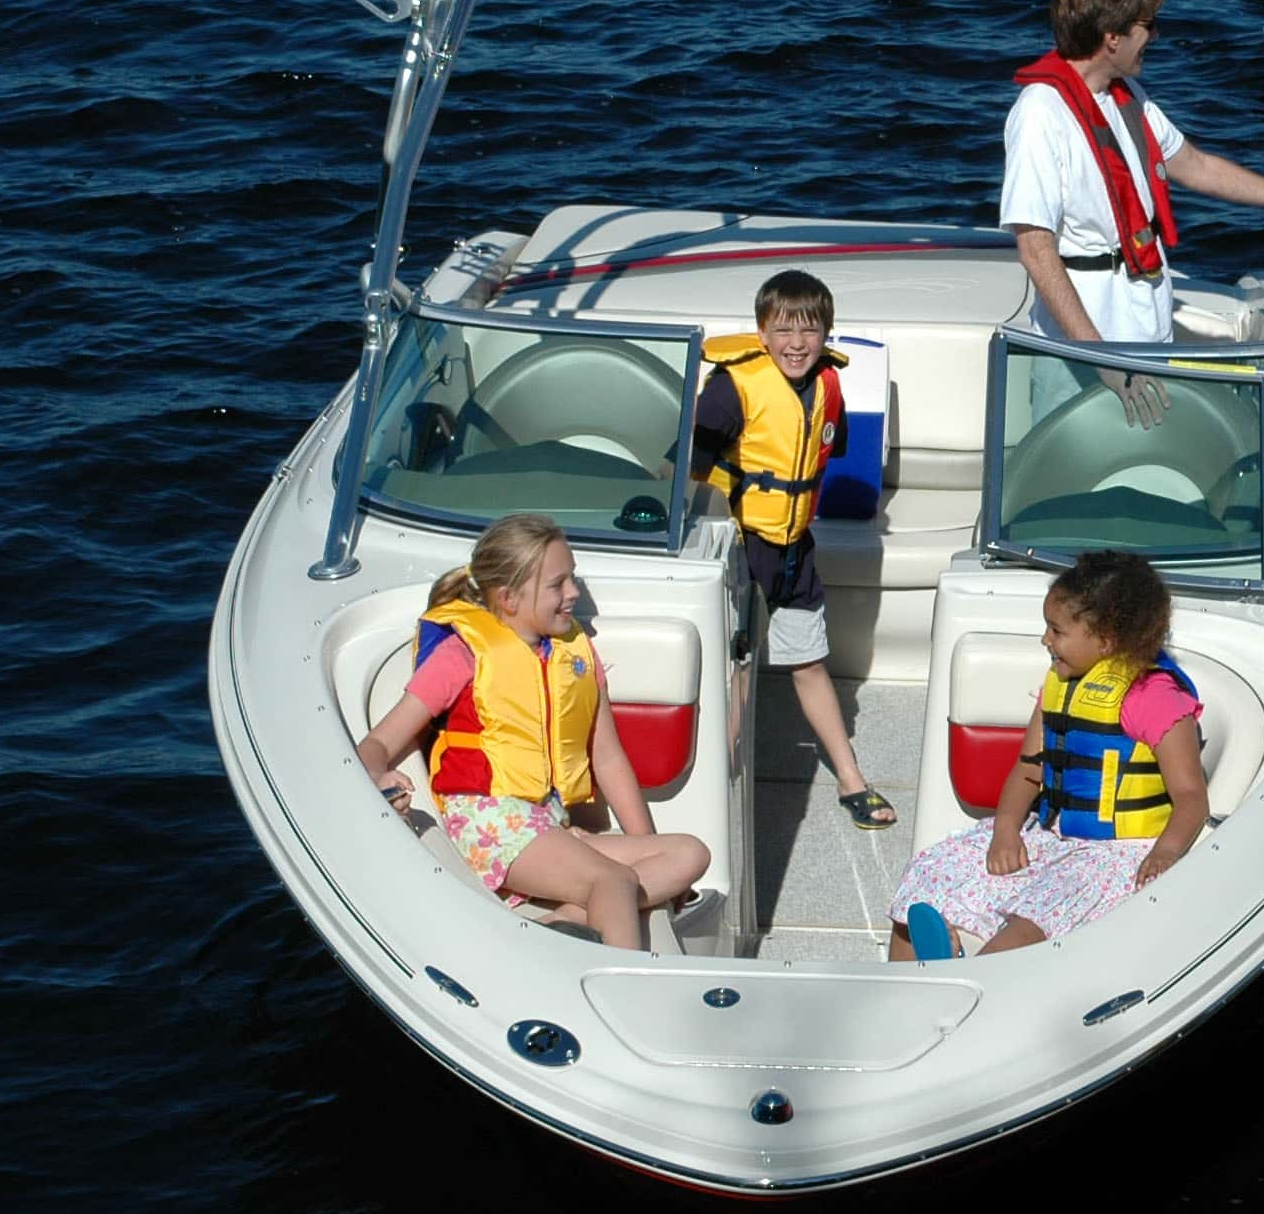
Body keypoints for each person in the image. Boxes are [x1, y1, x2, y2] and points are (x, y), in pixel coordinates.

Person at [355, 513, 710, 950]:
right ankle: (625, 986)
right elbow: (378, 742)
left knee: (690, 854)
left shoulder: (574, 654)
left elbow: (609, 759)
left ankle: (562, 922)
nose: (574, 593)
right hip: (491, 825)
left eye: (573, 579)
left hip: (548, 823)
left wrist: (645, 843)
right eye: (558, 584)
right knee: (613, 880)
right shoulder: (462, 655)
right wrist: (378, 774)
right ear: (508, 598)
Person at [1000, 0, 1264, 429]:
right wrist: (1101, 360)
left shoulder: (1126, 95)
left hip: (1145, 334)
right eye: (1148, 26)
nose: (1157, 36)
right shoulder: (1041, 114)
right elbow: (1036, 251)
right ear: (1112, 38)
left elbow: (1194, 165)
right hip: (1083, 354)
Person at [886, 550, 1207, 961]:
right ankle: (909, 985)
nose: (1045, 641)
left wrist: (1165, 853)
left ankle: (975, 975)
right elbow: (1028, 768)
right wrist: (1005, 830)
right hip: (1050, 836)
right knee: (929, 876)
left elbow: (1191, 797)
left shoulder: (1155, 699)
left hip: (1112, 856)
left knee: (1035, 919)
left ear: (1105, 640)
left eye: (1056, 631)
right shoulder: (1060, 684)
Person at [690, 268, 894, 829]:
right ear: (761, 333)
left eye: (809, 330)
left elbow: (826, 449)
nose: (797, 343)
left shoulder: (828, 384)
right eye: (783, 330)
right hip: (738, 545)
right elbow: (689, 459)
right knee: (738, 663)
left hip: (793, 549)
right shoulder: (734, 386)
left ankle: (850, 780)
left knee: (809, 660)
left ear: (827, 333)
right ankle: (716, 785)